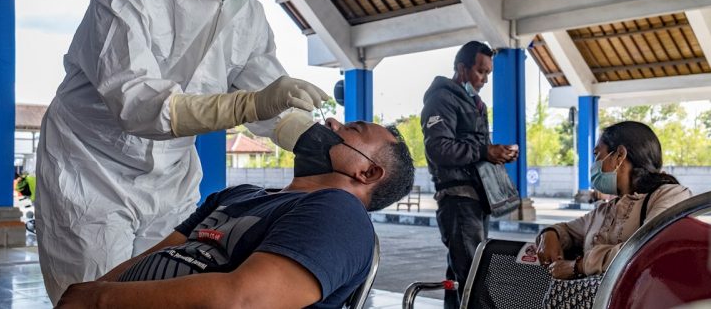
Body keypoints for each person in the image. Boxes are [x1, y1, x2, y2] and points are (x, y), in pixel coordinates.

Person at [36, 0, 329, 303]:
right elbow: (137, 103)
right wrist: (248, 105)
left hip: (171, 179)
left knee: (162, 294)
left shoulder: (246, 14)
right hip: (91, 171)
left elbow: (272, 97)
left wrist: (316, 142)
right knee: (91, 297)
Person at [56, 114, 416, 309]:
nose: (331, 124)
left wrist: (98, 299)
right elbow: (156, 254)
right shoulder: (239, 194)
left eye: (350, 129)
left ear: (368, 172)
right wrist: (93, 288)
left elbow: (244, 299)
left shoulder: (337, 212)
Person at [421, 41, 518, 309]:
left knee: (461, 274)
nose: (485, 79)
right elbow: (438, 148)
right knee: (474, 275)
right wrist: (485, 151)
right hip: (457, 198)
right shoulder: (442, 99)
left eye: (488, 73)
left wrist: (498, 153)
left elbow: (476, 149)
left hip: (476, 199)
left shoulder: (475, 104)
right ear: (462, 69)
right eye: (480, 71)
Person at [536, 121, 691, 280]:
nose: (594, 164)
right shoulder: (605, 211)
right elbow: (567, 230)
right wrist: (550, 233)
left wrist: (579, 266)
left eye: (597, 154)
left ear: (619, 155)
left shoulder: (670, 195)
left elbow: (649, 248)